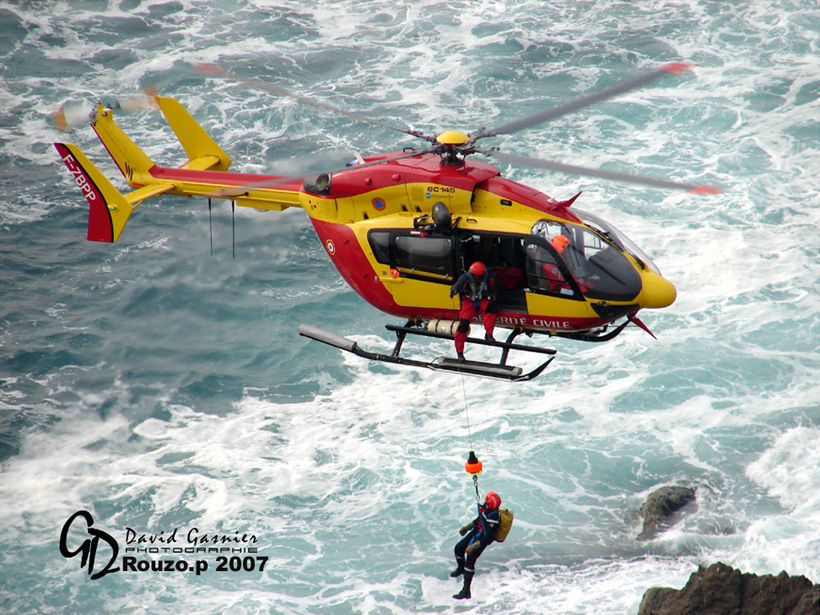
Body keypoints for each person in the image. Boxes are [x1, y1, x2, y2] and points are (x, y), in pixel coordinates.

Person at [450, 491, 502, 600]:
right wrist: (468, 527)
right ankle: (460, 568)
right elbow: (480, 519)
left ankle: (466, 590)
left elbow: (489, 537)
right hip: (476, 532)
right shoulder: (486, 510)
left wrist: (474, 546)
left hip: (482, 539)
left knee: (470, 561)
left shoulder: (493, 517)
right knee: (458, 548)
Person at [449, 261, 499, 360]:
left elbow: (496, 289)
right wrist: (454, 290)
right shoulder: (465, 277)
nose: (478, 279)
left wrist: (493, 296)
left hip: (483, 300)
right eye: (476, 277)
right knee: (463, 324)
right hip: (469, 301)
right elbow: (459, 285)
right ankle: (459, 353)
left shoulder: (491, 277)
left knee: (492, 307)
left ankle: (489, 334)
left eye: (480, 276)